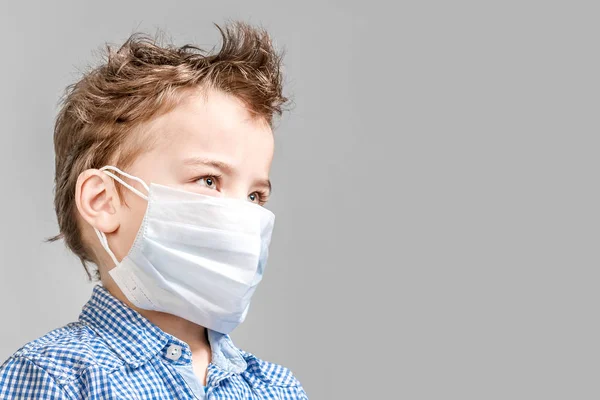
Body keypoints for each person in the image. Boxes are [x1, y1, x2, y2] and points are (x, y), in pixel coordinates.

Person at [0, 21, 308, 399]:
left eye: (255, 197)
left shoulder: (276, 389)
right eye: (209, 181)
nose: (243, 218)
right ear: (103, 201)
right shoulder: (55, 377)